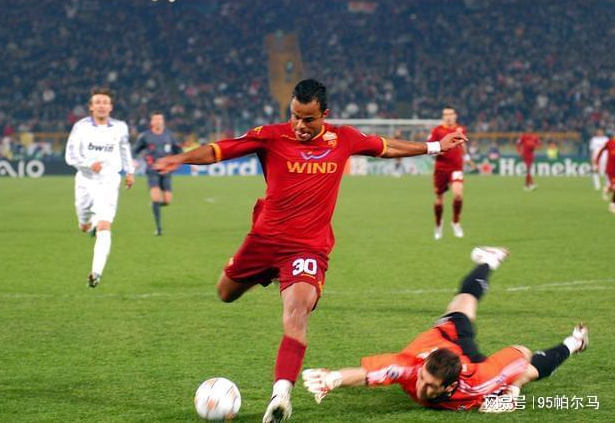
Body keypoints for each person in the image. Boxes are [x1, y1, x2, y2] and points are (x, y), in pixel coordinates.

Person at [154, 79, 467, 423]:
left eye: (308, 119)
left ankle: (281, 396)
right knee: (225, 293)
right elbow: (221, 150)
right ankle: (271, 274)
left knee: (296, 312)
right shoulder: (271, 136)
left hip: (307, 247)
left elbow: (386, 147)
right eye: (295, 117)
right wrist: (181, 158)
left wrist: (435, 147)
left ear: (324, 114)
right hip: (264, 240)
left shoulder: (343, 138)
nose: (300, 126)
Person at [302, 247, 589, 413]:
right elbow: (367, 375)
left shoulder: (477, 381)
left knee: (527, 372)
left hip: (463, 350)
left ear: (451, 387)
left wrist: (512, 389)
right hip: (445, 335)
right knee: (464, 302)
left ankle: (574, 342)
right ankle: (489, 260)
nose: (420, 387)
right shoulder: (410, 368)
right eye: (423, 378)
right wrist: (334, 379)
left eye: (430, 385)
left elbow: (521, 353)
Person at [65, 87, 135, 288]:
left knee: (104, 225)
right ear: (91, 107)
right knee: (84, 223)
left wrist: (129, 172)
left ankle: (96, 273)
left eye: (105, 102)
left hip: (109, 181)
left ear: (111, 107)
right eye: (98, 102)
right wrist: (88, 164)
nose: (101, 105)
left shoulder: (120, 127)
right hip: (85, 181)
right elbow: (70, 155)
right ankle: (87, 222)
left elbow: (125, 149)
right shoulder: (81, 127)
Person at [133, 112, 182, 236]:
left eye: (160, 119)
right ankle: (158, 228)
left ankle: (154, 205)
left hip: (166, 171)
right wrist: (134, 160)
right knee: (156, 198)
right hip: (152, 170)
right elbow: (135, 150)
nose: (158, 121)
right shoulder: (145, 136)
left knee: (167, 200)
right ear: (152, 122)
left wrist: (179, 161)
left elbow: (178, 150)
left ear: (163, 121)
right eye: (155, 119)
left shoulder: (169, 135)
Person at [428, 106, 473, 240]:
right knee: (439, 200)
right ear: (443, 117)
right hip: (441, 168)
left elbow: (463, 145)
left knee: (458, 195)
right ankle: (438, 224)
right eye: (445, 114)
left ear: (455, 115)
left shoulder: (460, 129)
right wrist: (438, 151)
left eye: (450, 114)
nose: (448, 117)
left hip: (456, 167)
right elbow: (429, 147)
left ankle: (455, 222)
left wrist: (467, 158)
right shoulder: (437, 131)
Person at [594, 135, 615, 213]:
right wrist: (596, 162)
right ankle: (612, 205)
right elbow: (600, 151)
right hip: (611, 169)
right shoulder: (609, 143)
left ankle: (607, 189)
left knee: (613, 187)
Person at [589, 128, 610, 197]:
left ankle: (608, 184)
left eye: (601, 131)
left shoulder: (606, 139)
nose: (599, 133)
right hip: (596, 158)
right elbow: (592, 150)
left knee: (607, 171)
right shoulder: (593, 139)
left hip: (605, 158)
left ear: (603, 132)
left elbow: (609, 149)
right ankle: (597, 186)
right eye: (598, 131)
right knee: (595, 171)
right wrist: (592, 158)